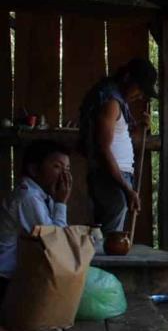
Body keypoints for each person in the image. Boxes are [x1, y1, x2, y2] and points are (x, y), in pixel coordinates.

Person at [78, 59, 157, 234]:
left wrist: (139, 127)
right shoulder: (110, 102)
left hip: (115, 177)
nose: (140, 96)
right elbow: (103, 148)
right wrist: (127, 189)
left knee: (110, 232)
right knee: (111, 239)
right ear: (127, 77)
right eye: (140, 88)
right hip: (110, 177)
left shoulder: (117, 100)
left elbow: (120, 137)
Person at [0, 140, 72, 301]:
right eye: (57, 167)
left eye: (67, 168)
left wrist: (56, 200)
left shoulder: (41, 194)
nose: (64, 175)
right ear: (34, 169)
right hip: (6, 280)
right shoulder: (28, 197)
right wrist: (61, 203)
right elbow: (55, 242)